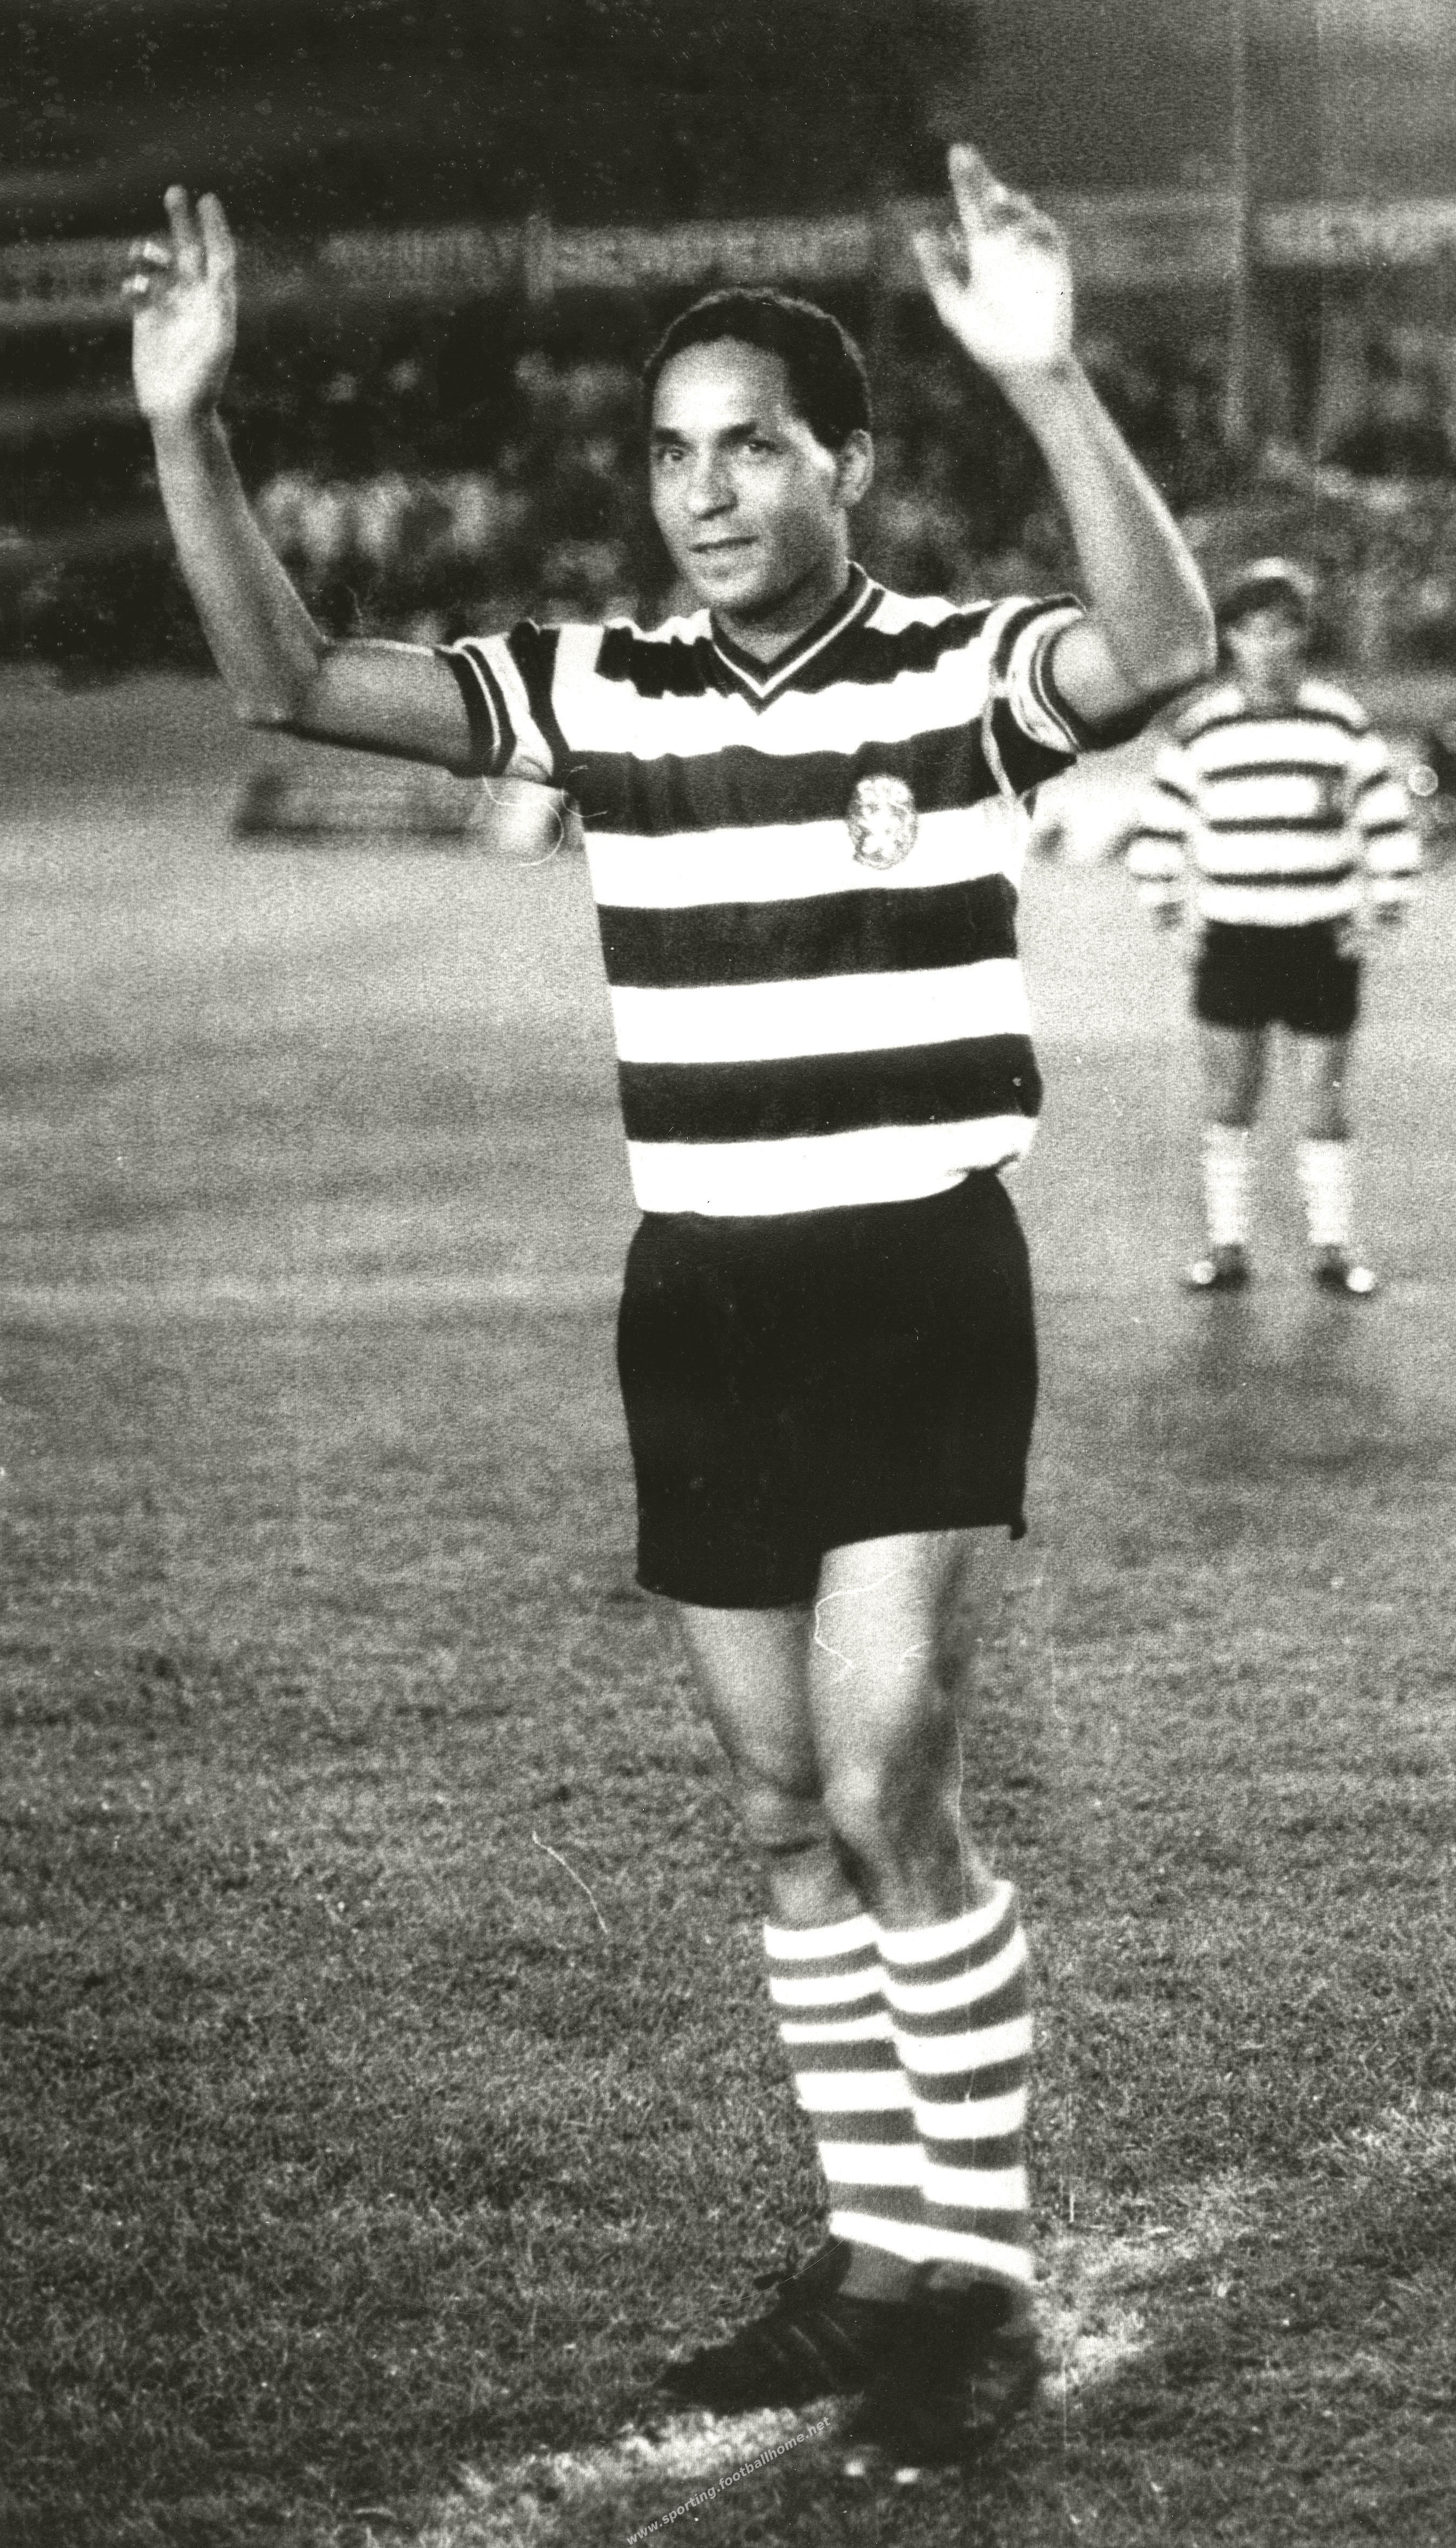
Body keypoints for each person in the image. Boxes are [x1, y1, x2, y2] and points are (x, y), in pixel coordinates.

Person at [126, 148, 1214, 2469]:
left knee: (889, 1769)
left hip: (913, 1272)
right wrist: (182, 424)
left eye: (753, 445)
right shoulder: (593, 689)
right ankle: (875, 2253)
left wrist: (1050, 378)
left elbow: (1159, 652)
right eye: (671, 449)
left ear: (848, 465)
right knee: (778, 1802)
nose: (704, 490)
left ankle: (981, 2284)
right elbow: (286, 678)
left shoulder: (955, 672)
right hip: (701, 1288)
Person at [1125, 559, 1419, 1298]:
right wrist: (1168, 912)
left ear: (1303, 636)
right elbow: (1159, 829)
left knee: (1324, 1097)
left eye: (1284, 629)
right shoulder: (1202, 728)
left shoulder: (1339, 720)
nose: (1270, 646)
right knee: (1231, 1096)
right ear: (1231, 639)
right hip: (1236, 939)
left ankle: (1332, 1250)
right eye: (1254, 631)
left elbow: (1385, 818)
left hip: (1319, 937)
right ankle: (1226, 1249)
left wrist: (1384, 907)